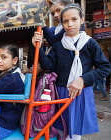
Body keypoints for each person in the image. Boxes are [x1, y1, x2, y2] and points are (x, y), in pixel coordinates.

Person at [32, 4, 110, 140]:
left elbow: (104, 68)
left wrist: (82, 79)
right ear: (61, 24)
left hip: (81, 93)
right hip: (60, 93)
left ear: (82, 20)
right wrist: (37, 47)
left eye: (74, 19)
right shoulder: (58, 45)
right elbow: (48, 66)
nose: (70, 24)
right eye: (65, 21)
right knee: (60, 129)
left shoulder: (90, 43)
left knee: (75, 134)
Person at [27, 0, 73, 69]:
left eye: (59, 10)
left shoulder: (70, 28)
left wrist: (43, 25)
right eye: (52, 13)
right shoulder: (57, 29)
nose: (55, 15)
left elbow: (53, 41)